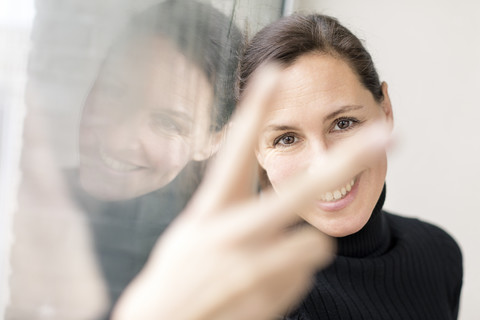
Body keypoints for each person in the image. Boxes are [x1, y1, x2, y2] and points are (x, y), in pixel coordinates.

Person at [237, 13, 463, 319]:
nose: (324, 165)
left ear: (385, 110)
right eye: (287, 139)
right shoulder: (250, 298)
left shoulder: (439, 253)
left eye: (343, 123)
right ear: (257, 151)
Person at [66, 0, 243, 315]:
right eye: (115, 91)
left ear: (213, 140)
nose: (119, 139)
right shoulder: (20, 198)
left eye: (168, 123)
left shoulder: (210, 272)